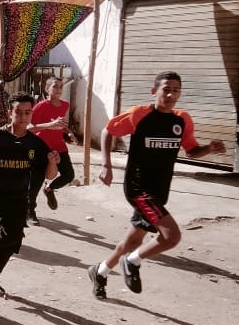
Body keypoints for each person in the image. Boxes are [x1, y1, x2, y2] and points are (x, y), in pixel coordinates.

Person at [89, 71, 226, 300]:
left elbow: (192, 151)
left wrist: (209, 149)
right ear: (154, 91)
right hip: (139, 190)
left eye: (176, 90)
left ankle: (100, 271)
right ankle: (132, 261)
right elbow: (107, 131)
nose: (171, 94)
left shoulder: (182, 120)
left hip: (160, 191)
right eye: (166, 89)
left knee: (133, 241)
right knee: (171, 236)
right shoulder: (139, 114)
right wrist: (106, 165)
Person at [0, 92, 59, 298]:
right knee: (9, 231)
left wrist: (52, 162)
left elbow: (50, 175)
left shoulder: (35, 143)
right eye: (19, 112)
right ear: (10, 113)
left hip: (19, 196)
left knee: (15, 239)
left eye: (28, 112)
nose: (23, 117)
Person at [27, 76, 76, 224]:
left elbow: (60, 125)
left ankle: (49, 189)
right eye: (55, 86)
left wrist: (69, 133)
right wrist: (50, 124)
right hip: (42, 147)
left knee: (68, 175)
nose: (58, 89)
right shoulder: (40, 106)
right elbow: (29, 128)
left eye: (61, 86)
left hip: (59, 146)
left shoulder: (65, 105)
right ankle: (30, 211)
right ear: (47, 88)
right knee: (36, 180)